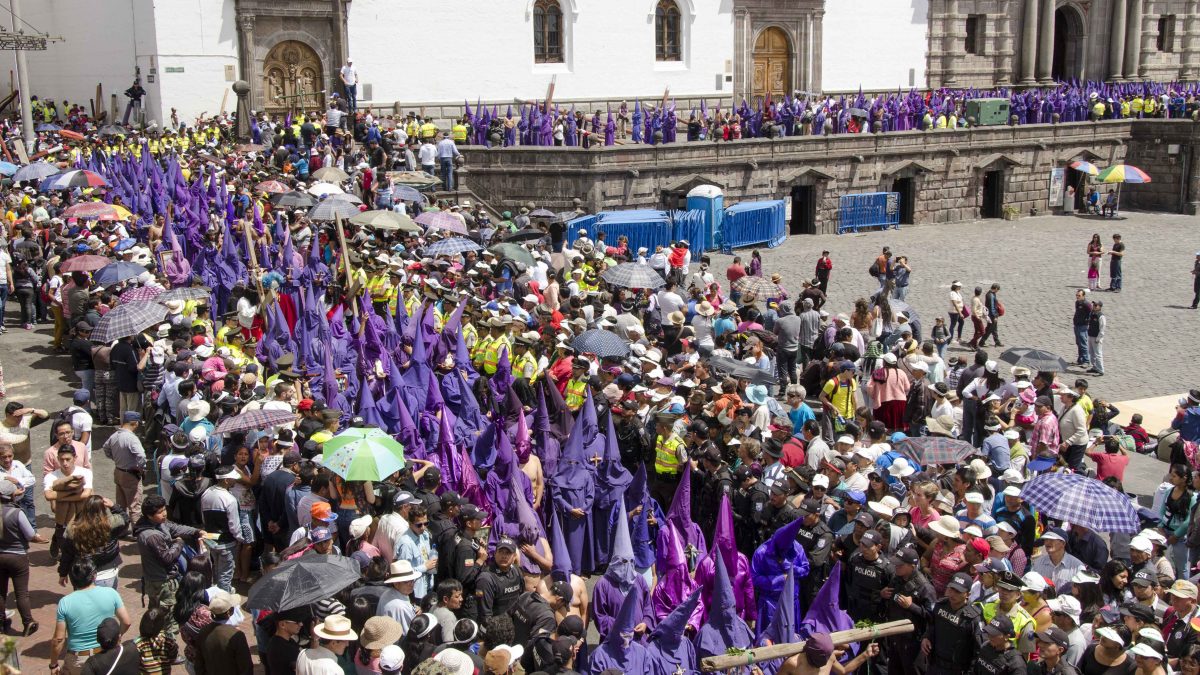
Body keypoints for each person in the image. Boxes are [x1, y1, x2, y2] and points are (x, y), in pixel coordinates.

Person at [51, 560, 132, 675]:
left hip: (79, 659)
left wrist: (53, 664)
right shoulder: (111, 593)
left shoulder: (65, 602)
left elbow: (58, 639)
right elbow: (127, 622)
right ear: (94, 576)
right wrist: (118, 637)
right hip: (106, 654)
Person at [101, 410, 146, 522]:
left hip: (118, 471)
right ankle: (137, 533)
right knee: (135, 506)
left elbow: (106, 448)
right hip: (131, 474)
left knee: (120, 506)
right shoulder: (132, 438)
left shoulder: (115, 435)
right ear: (134, 423)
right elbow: (141, 456)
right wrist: (140, 468)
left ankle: (121, 530)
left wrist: (115, 458)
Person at [193, 590, 253, 674]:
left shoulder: (203, 631)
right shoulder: (236, 636)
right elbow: (246, 667)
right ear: (229, 612)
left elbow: (199, 664)